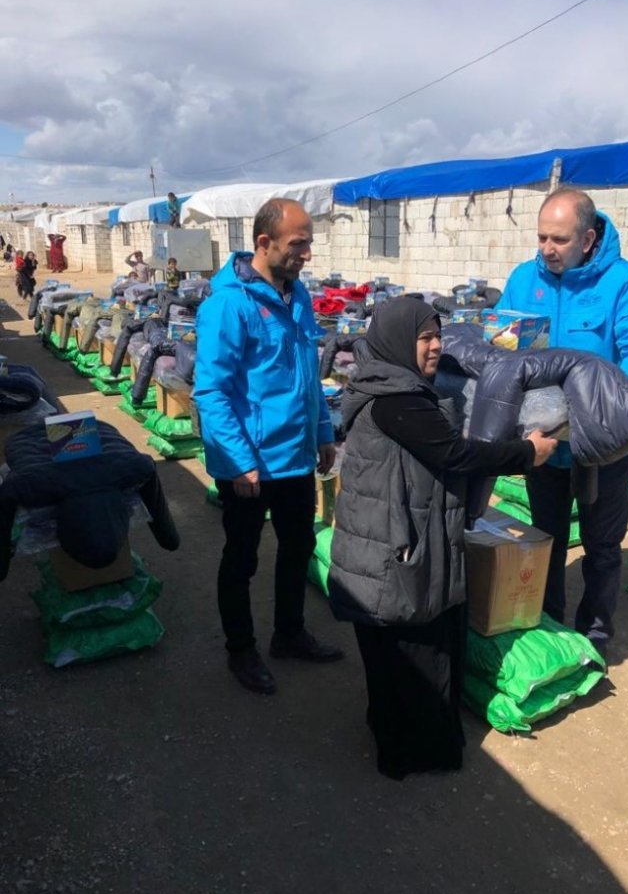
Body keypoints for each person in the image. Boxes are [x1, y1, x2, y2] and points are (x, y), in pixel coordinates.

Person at [328, 296, 557, 780]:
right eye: (424, 338)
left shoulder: (387, 386)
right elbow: (456, 453)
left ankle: (398, 736)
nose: (435, 347)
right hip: (397, 552)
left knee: (398, 653)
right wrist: (526, 452)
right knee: (413, 652)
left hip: (390, 543)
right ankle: (414, 752)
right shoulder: (398, 401)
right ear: (396, 341)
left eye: (438, 337)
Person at [496, 187, 628, 662]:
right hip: (543, 441)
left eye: (559, 239)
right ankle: (547, 622)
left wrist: (593, 398)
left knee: (602, 544)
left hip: (602, 443)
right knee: (544, 536)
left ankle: (594, 634)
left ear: (588, 239)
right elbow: (502, 344)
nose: (546, 248)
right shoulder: (525, 279)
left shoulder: (624, 283)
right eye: (541, 237)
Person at [194, 198, 344, 696]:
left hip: (296, 457)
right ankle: (241, 649)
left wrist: (323, 431)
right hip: (250, 465)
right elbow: (211, 392)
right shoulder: (228, 305)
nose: (306, 254)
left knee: (298, 547)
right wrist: (238, 461)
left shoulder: (297, 296)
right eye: (298, 243)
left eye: (308, 243)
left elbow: (308, 376)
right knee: (242, 557)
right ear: (264, 242)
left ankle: (289, 633)